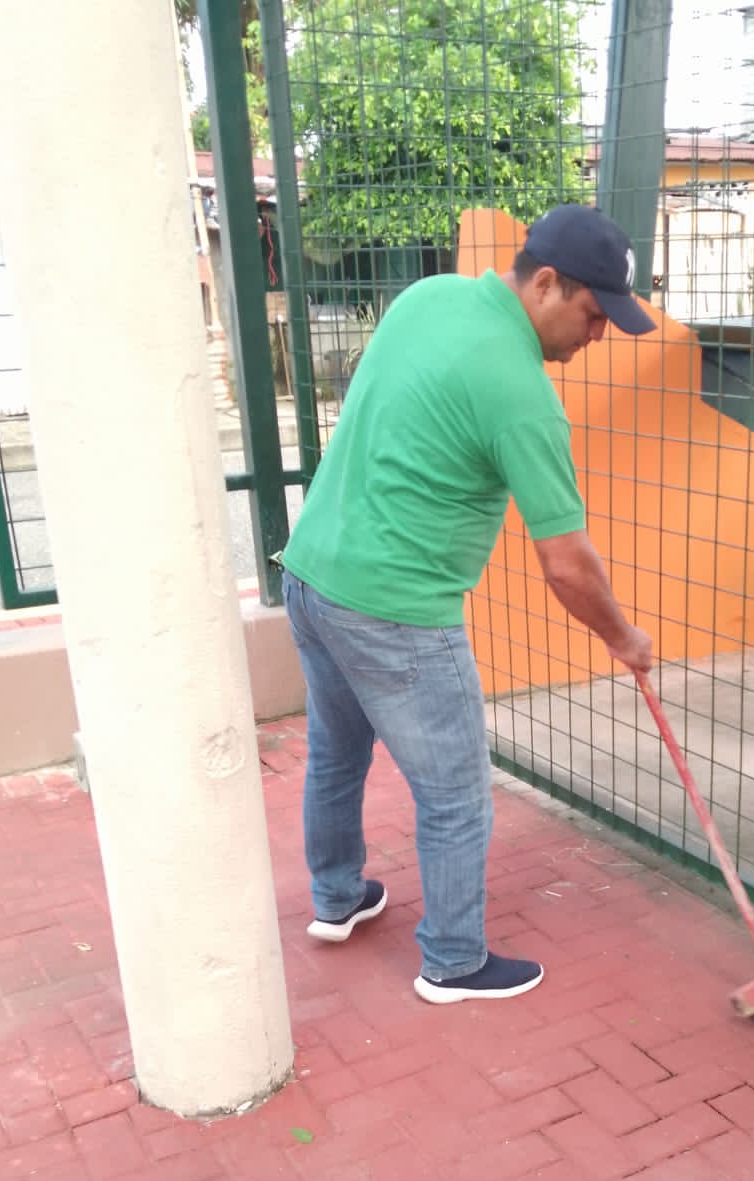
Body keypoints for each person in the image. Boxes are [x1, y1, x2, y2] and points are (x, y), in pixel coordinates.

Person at [280, 204, 656, 1005]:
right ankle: (452, 960)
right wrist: (623, 637)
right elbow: (566, 564)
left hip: (312, 575)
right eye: (594, 315)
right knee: (455, 793)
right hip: (396, 608)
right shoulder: (522, 393)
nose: (597, 336)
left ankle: (337, 898)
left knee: (337, 753)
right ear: (546, 283)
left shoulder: (429, 297)